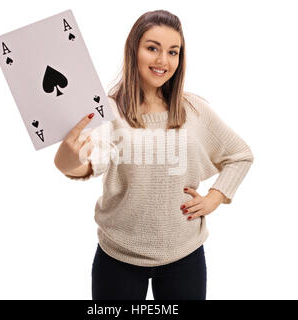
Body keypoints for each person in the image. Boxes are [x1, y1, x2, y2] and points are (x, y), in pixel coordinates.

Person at [54, 10, 254, 300]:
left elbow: (241, 155)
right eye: (152, 48)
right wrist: (68, 163)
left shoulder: (194, 110)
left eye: (173, 52)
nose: (163, 61)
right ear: (133, 50)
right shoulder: (109, 112)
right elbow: (90, 162)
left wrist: (214, 198)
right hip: (118, 257)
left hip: (185, 256)